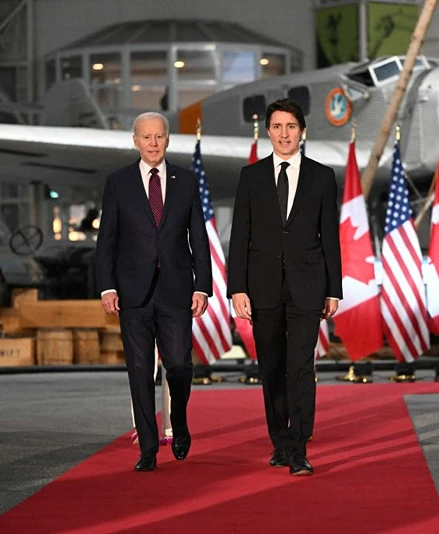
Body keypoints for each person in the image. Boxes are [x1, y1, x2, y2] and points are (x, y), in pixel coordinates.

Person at [227, 98, 342, 476]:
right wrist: (237, 288)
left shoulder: (323, 177)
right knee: (272, 367)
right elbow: (240, 235)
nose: (283, 134)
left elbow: (330, 239)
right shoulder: (252, 177)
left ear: (302, 131)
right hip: (262, 288)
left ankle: (298, 446)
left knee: (300, 367)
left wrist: (333, 289)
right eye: (276, 127)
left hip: (308, 287)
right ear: (268, 132)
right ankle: (280, 441)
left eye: (290, 126)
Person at [96, 111, 211, 472]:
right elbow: (107, 242)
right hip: (132, 293)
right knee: (140, 370)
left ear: (167, 140)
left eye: (159, 136)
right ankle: (147, 448)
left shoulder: (186, 181)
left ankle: (179, 417)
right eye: (146, 137)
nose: (153, 143)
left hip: (177, 290)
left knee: (179, 365)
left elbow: (199, 238)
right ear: (135, 141)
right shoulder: (118, 183)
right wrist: (107, 286)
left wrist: (202, 287)